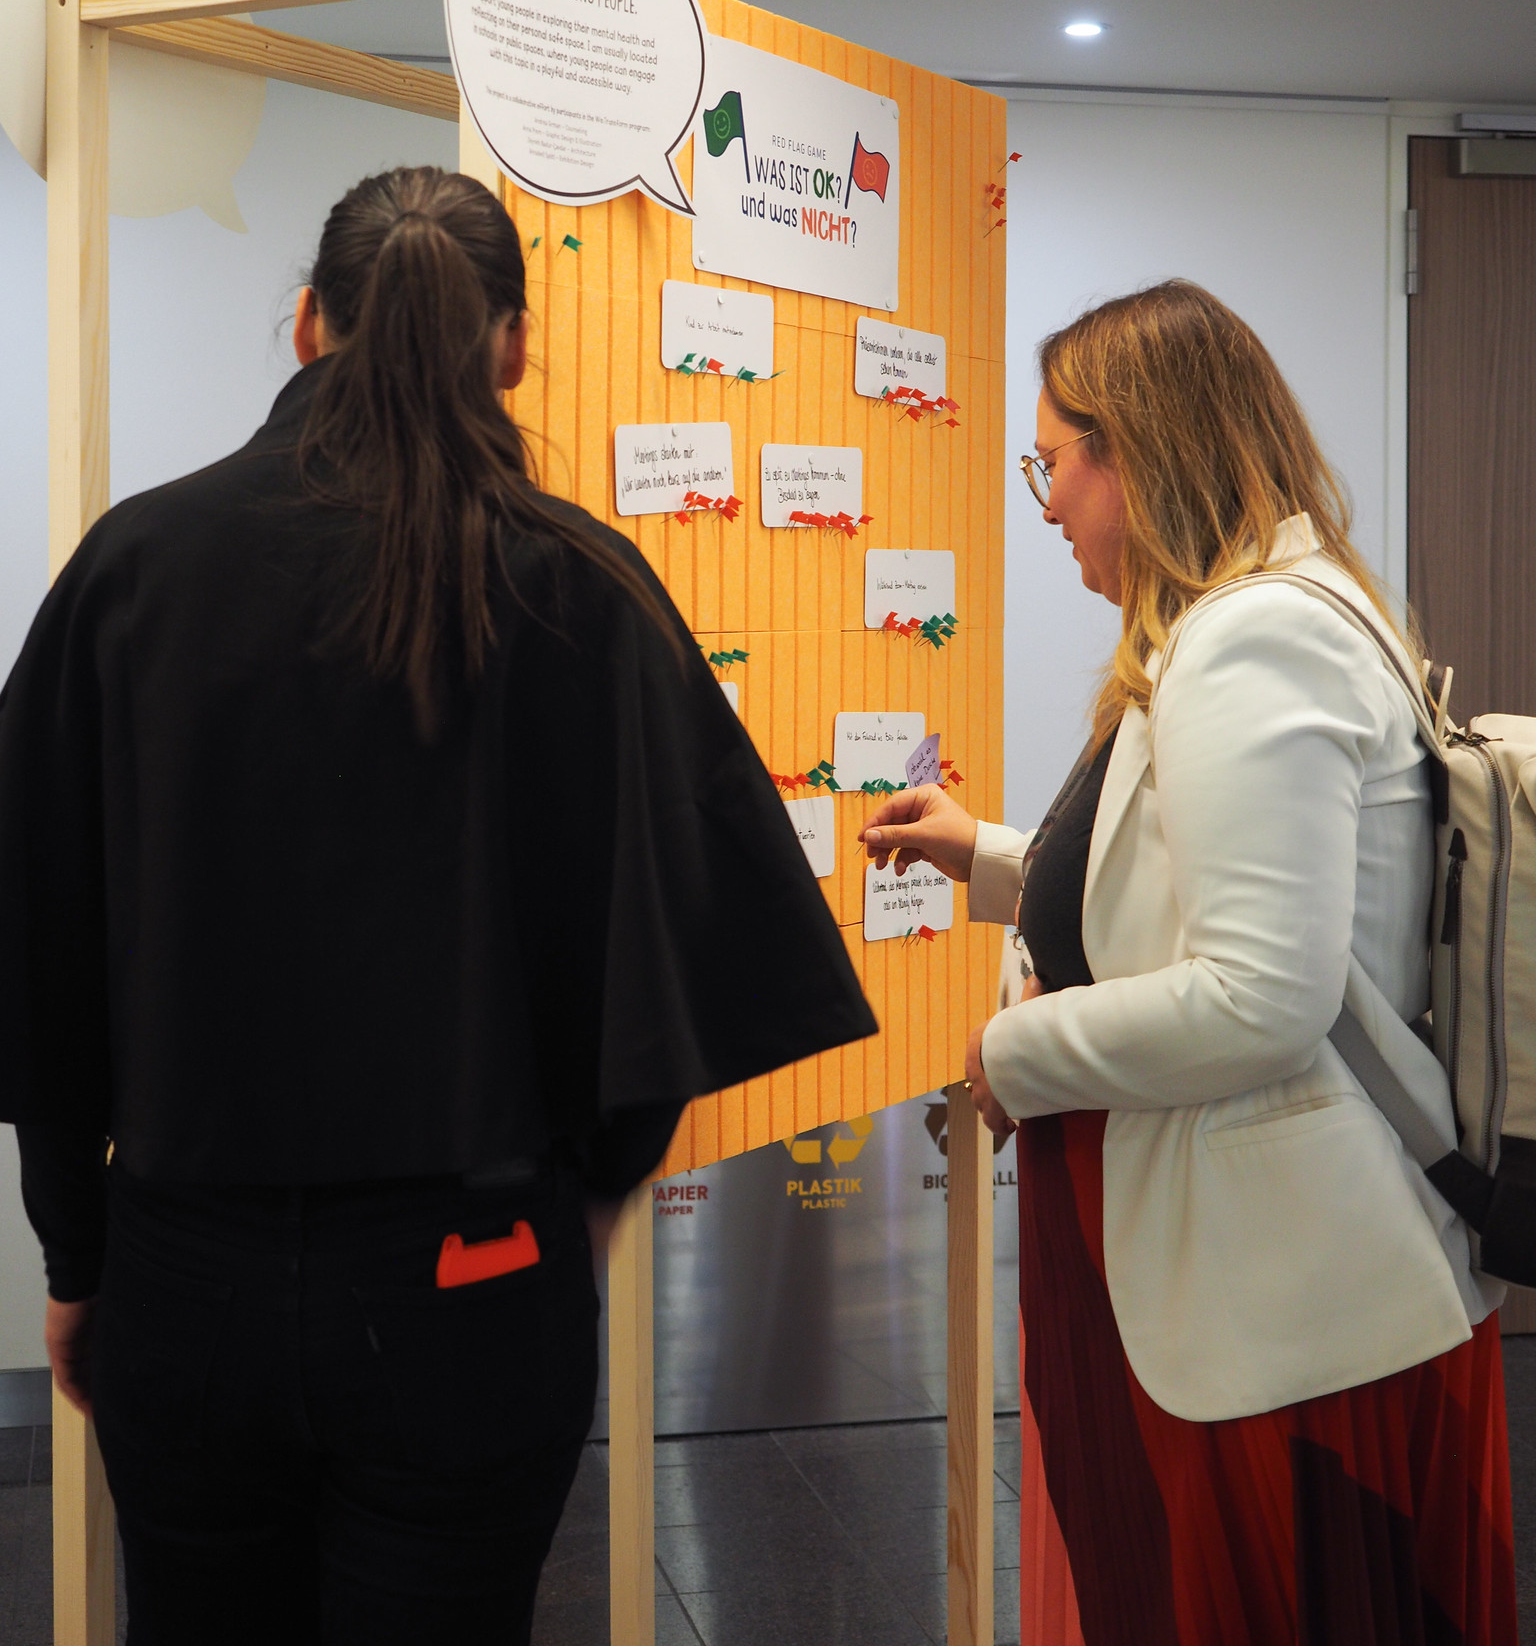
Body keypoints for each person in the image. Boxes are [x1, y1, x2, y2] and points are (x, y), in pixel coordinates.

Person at [0, 165, 876, 1646]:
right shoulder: (583, 589)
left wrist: (78, 1254)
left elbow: (39, 948)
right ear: (515, 347)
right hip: (476, 1279)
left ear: (307, 324)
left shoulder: (134, 570)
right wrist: (587, 1197)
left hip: (183, 1277)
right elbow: (672, 944)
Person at [861, 280, 1516, 1644]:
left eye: (1052, 461)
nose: (1047, 504)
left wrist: (1013, 1054)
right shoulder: (1275, 610)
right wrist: (993, 858)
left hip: (1277, 1306)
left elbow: (1262, 997)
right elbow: (1194, 877)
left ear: (1136, 451)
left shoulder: (1250, 637)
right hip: (1283, 1285)